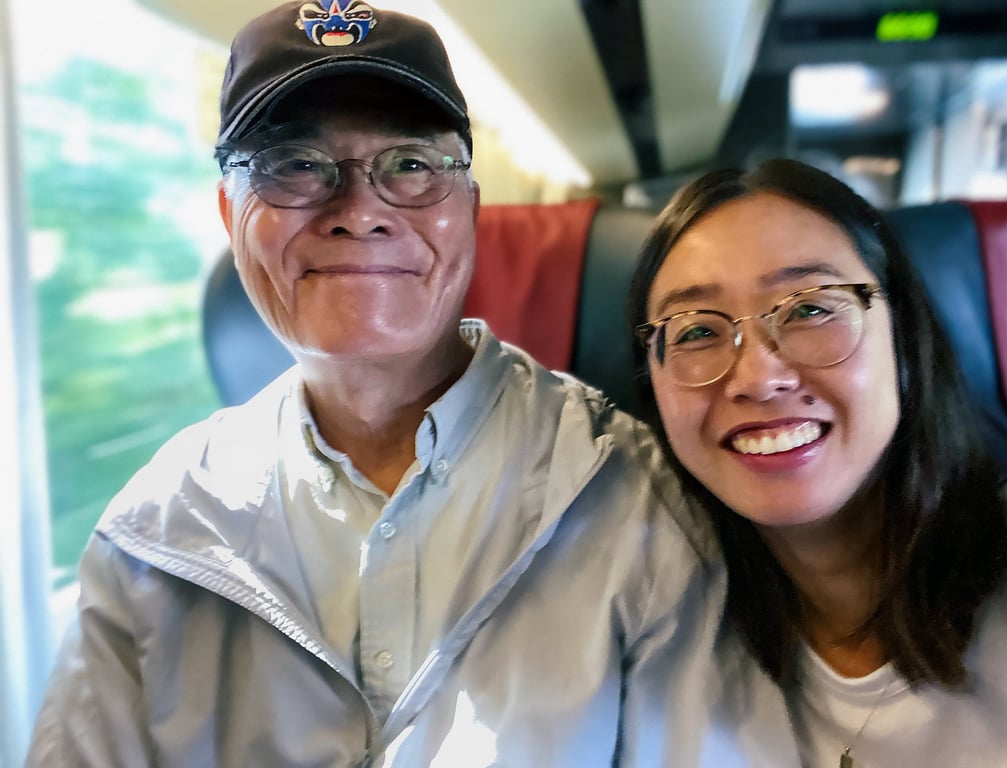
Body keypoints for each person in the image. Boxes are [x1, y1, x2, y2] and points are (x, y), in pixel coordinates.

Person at [26, 3, 799, 766]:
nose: (359, 212)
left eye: (411, 165)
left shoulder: (636, 498)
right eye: (294, 165)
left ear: (470, 208)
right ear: (231, 214)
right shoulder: (155, 536)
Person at [627, 157, 1007, 767]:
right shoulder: (668, 643)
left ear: (904, 339)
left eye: (810, 308)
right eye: (697, 332)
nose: (758, 379)